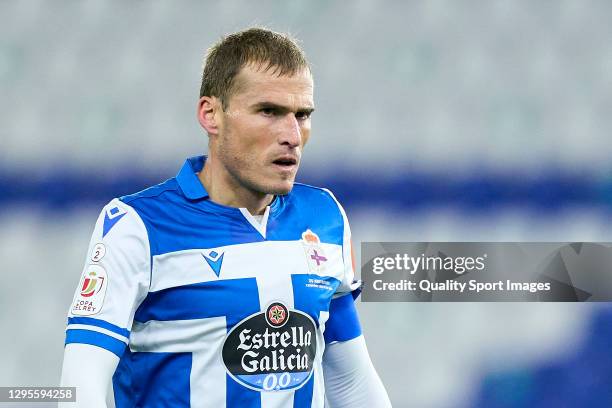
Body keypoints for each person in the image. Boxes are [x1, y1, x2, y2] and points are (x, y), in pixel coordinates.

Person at [60, 27, 391, 408]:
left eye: (302, 115)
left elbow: (352, 381)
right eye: (269, 111)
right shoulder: (137, 225)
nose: (292, 135)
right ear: (211, 114)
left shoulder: (325, 216)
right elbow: (78, 387)